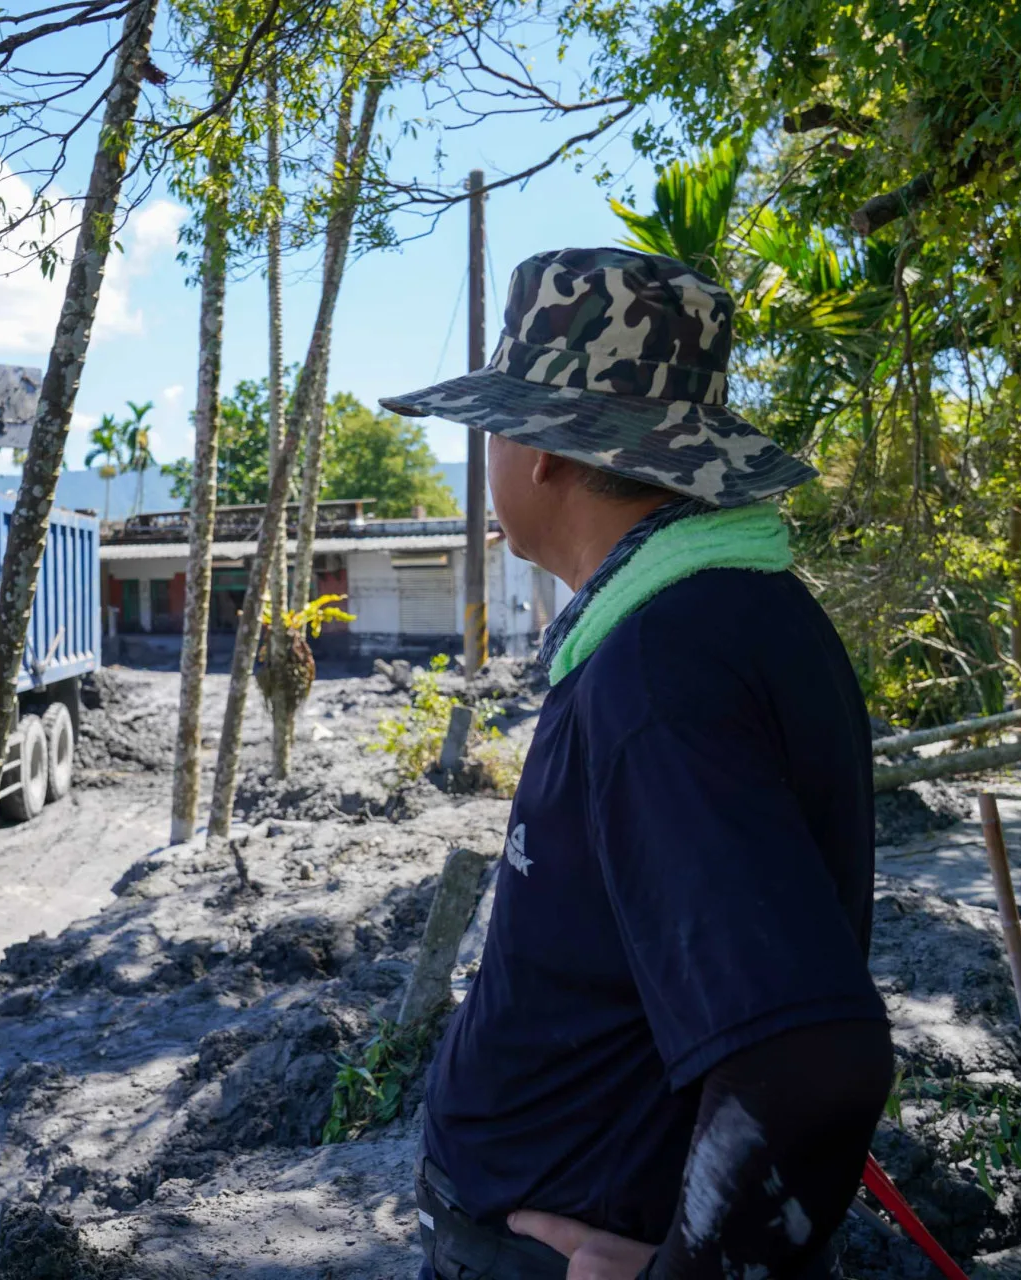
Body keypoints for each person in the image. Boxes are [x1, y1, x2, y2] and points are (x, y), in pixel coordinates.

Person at [379, 247, 893, 1280]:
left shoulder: (661, 668)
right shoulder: (730, 617)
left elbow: (811, 1059)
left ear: (542, 450)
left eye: (489, 428)